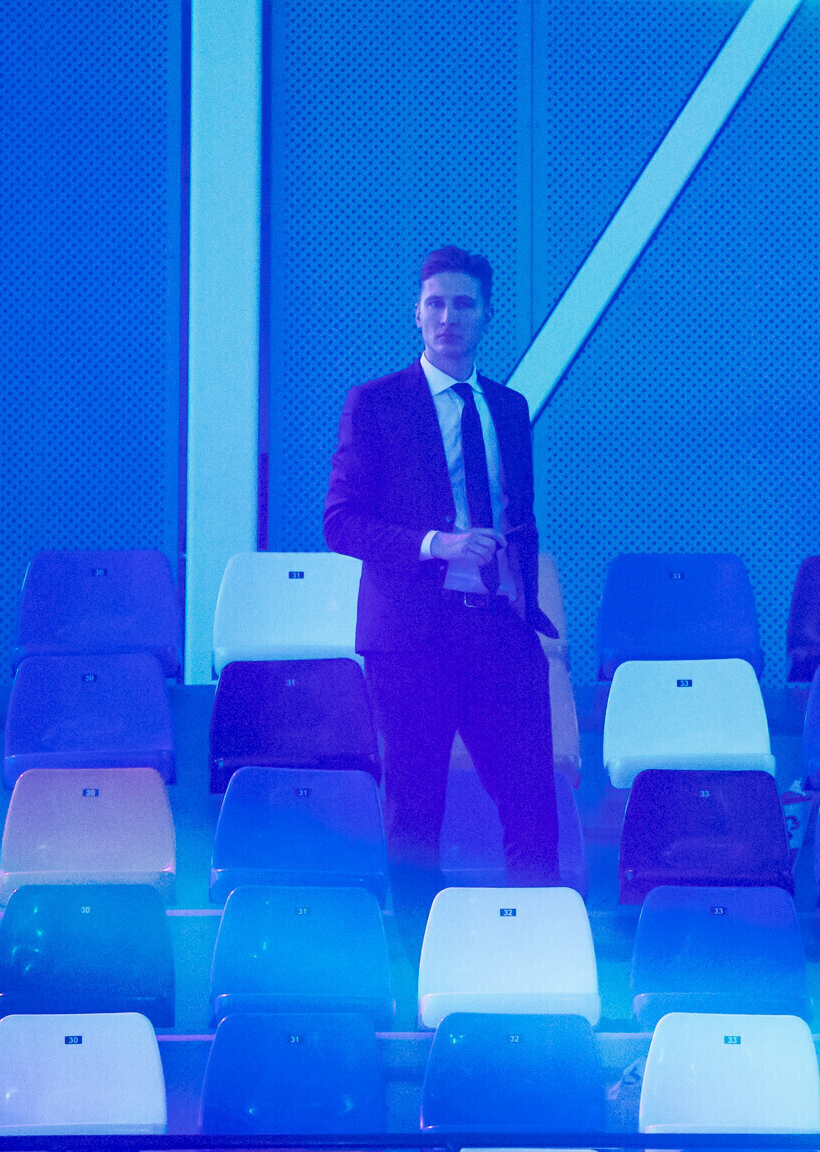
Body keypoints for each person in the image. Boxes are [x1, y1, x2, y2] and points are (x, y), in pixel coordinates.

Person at [324, 246, 562, 945]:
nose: (447, 317)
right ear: (417, 313)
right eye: (435, 303)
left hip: (500, 633)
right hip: (411, 640)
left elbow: (518, 513)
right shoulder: (376, 404)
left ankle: (539, 957)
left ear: (485, 315)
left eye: (463, 304)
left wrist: (520, 592)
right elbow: (340, 522)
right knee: (415, 812)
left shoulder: (509, 409)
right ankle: (419, 966)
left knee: (532, 806)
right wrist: (436, 544)